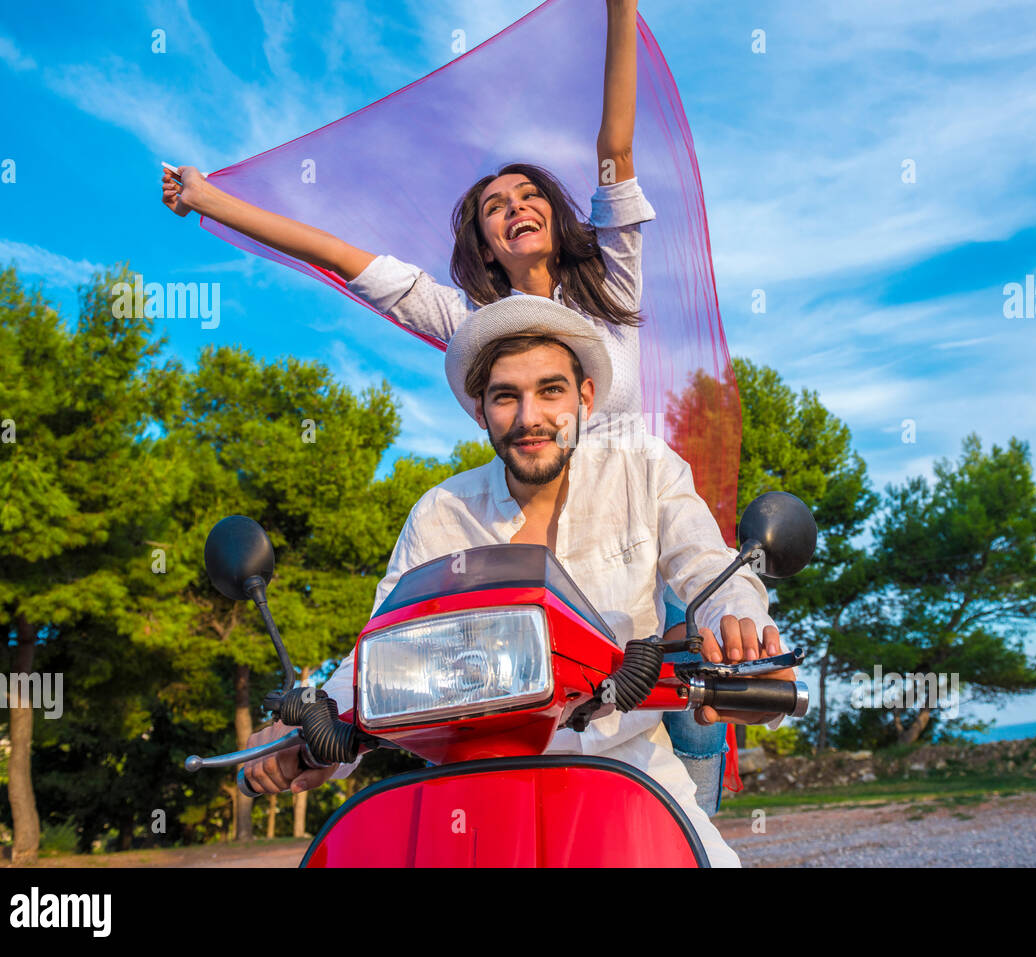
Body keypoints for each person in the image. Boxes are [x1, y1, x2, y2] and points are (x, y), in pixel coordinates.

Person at [161, 0, 729, 809]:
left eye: (529, 193)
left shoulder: (612, 278)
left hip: (634, 514)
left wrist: (620, 10)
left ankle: (689, 827)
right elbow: (339, 255)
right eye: (496, 205)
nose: (514, 206)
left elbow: (615, 146)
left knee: (698, 704)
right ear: (485, 241)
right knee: (486, 690)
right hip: (535, 538)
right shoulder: (470, 324)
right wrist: (210, 200)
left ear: (555, 218)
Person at [242, 294, 796, 867]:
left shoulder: (644, 469)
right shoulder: (441, 512)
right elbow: (379, 646)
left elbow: (708, 566)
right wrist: (318, 731)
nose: (530, 417)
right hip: (468, 791)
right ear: (481, 410)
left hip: (630, 770)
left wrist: (746, 637)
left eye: (551, 391)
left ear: (584, 398)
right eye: (506, 396)